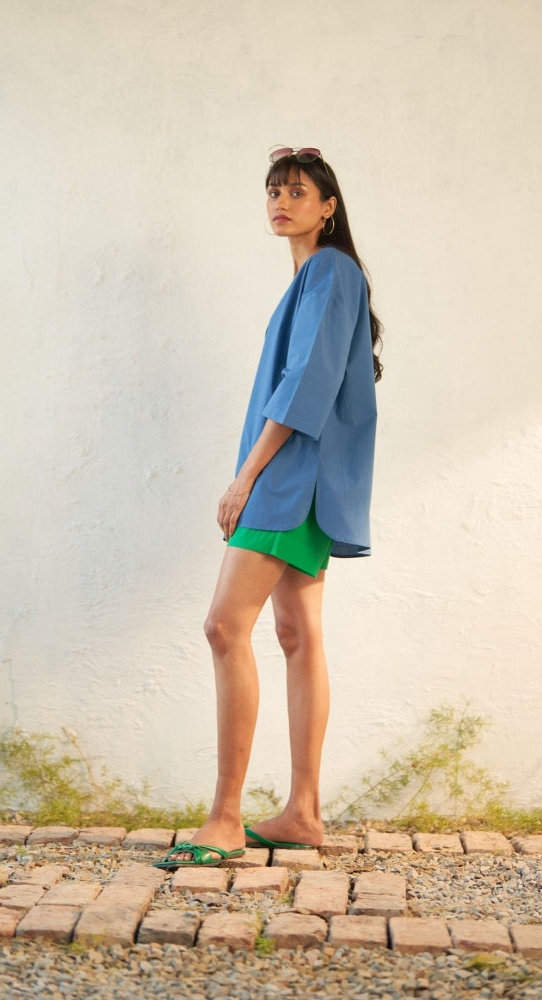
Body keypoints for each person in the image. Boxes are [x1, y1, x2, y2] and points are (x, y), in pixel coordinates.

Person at [155, 146, 383, 869]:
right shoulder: (320, 276)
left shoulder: (329, 271)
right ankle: (302, 813)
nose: (281, 202)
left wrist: (244, 478)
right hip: (309, 479)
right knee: (296, 633)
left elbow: (306, 382)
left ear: (328, 207)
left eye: (298, 191)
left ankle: (225, 818)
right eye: (274, 191)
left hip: (290, 479)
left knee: (226, 627)